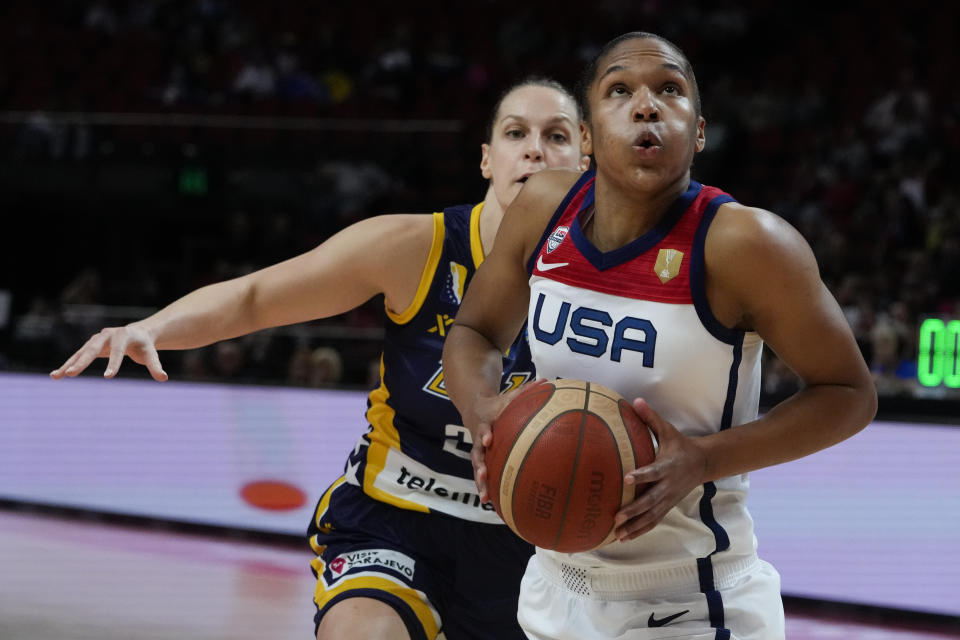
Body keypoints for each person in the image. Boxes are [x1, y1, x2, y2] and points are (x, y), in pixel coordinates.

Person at [50, 78, 591, 640]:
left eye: (555, 136)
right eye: (515, 133)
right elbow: (255, 297)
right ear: (487, 160)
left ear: (585, 157)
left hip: (534, 539)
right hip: (398, 516)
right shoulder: (415, 247)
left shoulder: (618, 281)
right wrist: (153, 327)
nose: (534, 149)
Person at [441, 32, 877, 640]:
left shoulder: (747, 245)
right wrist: (483, 411)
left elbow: (849, 394)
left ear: (697, 132)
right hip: (551, 584)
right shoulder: (544, 209)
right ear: (587, 137)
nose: (646, 105)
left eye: (669, 90)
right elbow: (476, 332)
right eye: (619, 90)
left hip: (692, 600)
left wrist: (704, 459)